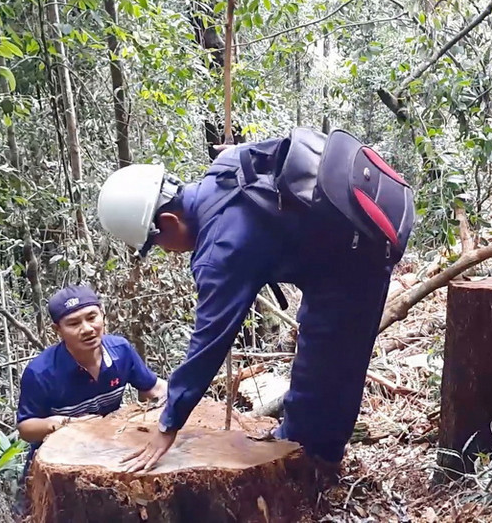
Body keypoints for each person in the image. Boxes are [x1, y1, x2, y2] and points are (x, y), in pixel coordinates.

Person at [96, 127, 415, 473]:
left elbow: (208, 344)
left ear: (168, 223)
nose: (166, 252)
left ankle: (315, 469)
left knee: (330, 368)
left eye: (156, 244)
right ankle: (302, 445)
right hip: (344, 238)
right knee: (321, 352)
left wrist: (168, 424)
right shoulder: (225, 165)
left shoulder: (220, 250)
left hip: (360, 254)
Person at [16, 285, 168, 448]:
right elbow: (25, 428)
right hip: (61, 453)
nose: (87, 329)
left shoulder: (121, 351)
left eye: (91, 318)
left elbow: (154, 389)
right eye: (74, 323)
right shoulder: (41, 372)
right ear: (57, 330)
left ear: (103, 315)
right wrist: (64, 423)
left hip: (111, 445)